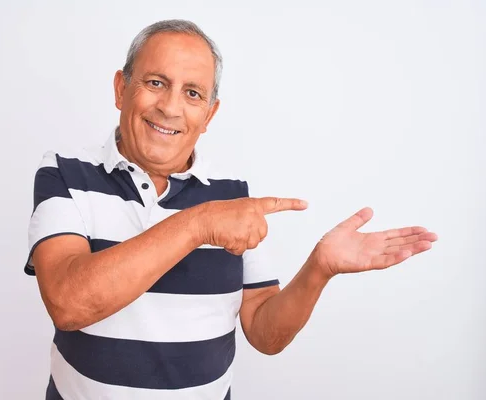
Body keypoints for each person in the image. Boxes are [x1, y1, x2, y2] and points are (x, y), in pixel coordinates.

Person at [24, 19, 438, 400]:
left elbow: (265, 334)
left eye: (192, 93)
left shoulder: (233, 196)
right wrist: (199, 224)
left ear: (209, 114)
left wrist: (319, 269)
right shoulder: (63, 172)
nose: (170, 107)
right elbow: (68, 303)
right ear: (120, 88)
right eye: (155, 82)